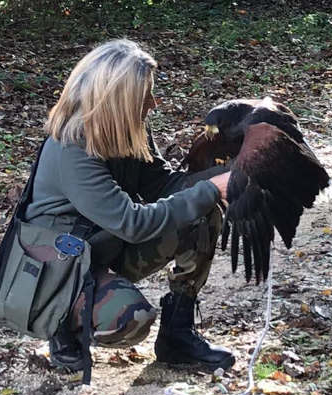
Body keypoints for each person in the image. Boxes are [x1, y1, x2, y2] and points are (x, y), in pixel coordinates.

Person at [24, 39, 236, 374]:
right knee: (132, 319)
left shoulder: (125, 128)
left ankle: (177, 337)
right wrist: (211, 189)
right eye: (145, 95)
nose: (153, 103)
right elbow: (132, 223)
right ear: (117, 99)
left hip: (104, 247)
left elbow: (161, 185)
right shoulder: (72, 148)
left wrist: (229, 176)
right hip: (60, 270)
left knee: (201, 215)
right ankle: (61, 322)